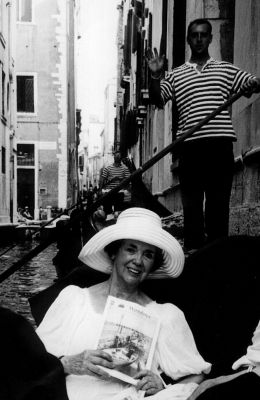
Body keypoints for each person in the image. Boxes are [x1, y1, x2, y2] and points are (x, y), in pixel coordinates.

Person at [36, 207, 211, 400]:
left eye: (148, 255)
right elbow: (31, 365)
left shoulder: (165, 316)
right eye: (131, 249)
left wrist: (162, 386)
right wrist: (68, 363)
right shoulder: (74, 300)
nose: (138, 261)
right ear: (114, 252)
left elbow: (197, 375)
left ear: (153, 265)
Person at [147, 18, 260, 252]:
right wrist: (156, 76)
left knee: (218, 208)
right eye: (194, 35)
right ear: (188, 39)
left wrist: (253, 84)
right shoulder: (176, 75)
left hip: (220, 147)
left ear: (210, 38)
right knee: (192, 209)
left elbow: (250, 83)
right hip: (190, 149)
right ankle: (194, 261)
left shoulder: (225, 69)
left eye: (203, 35)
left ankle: (217, 258)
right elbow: (159, 100)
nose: (199, 39)